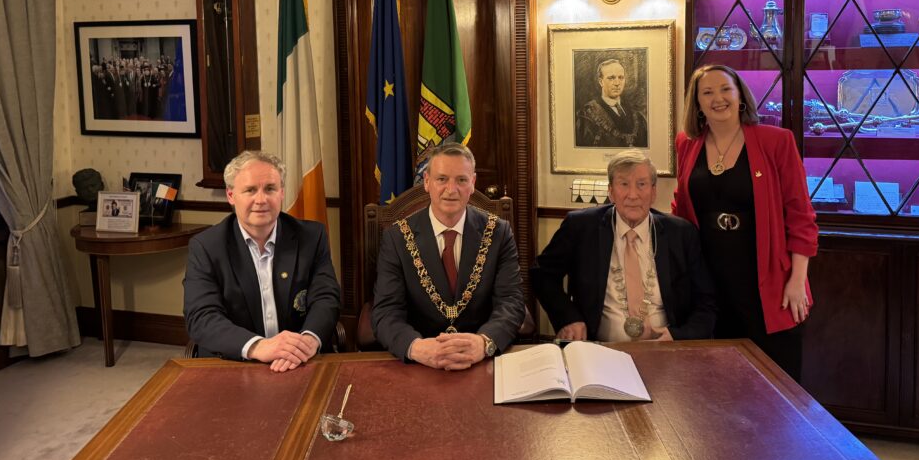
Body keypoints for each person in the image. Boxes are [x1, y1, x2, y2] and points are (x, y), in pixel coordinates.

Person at [671, 64, 818, 381]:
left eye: (726, 89)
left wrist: (797, 280)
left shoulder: (776, 141)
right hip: (710, 280)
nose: (718, 98)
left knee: (776, 382)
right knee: (720, 381)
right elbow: (680, 208)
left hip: (768, 279)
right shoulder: (686, 143)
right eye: (707, 92)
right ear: (697, 103)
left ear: (740, 96)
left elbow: (801, 215)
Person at [532, 150, 716, 342]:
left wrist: (676, 336)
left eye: (641, 184)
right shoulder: (581, 227)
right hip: (599, 349)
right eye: (624, 184)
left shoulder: (681, 234)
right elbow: (542, 274)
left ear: (653, 191)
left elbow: (706, 302)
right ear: (611, 192)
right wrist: (568, 318)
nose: (633, 195)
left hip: (665, 349)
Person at [371, 142, 525, 369]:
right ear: (427, 182)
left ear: (472, 183)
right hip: (420, 362)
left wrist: (484, 343)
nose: (451, 190)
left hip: (481, 361)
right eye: (442, 179)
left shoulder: (498, 233)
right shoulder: (397, 238)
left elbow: (511, 302)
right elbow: (386, 311)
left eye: (461, 180)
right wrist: (416, 347)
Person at [183, 150, 341, 372]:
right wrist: (258, 347)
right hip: (235, 363)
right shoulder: (206, 247)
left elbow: (326, 297)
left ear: (281, 193)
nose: (261, 200)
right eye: (250, 190)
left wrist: (308, 341)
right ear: (231, 195)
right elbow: (201, 317)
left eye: (270, 189)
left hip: (299, 361)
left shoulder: (311, 237)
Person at [575, 58, 648, 148]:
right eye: (611, 78)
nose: (617, 83)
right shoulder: (586, 116)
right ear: (601, 82)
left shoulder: (637, 116)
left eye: (621, 77)